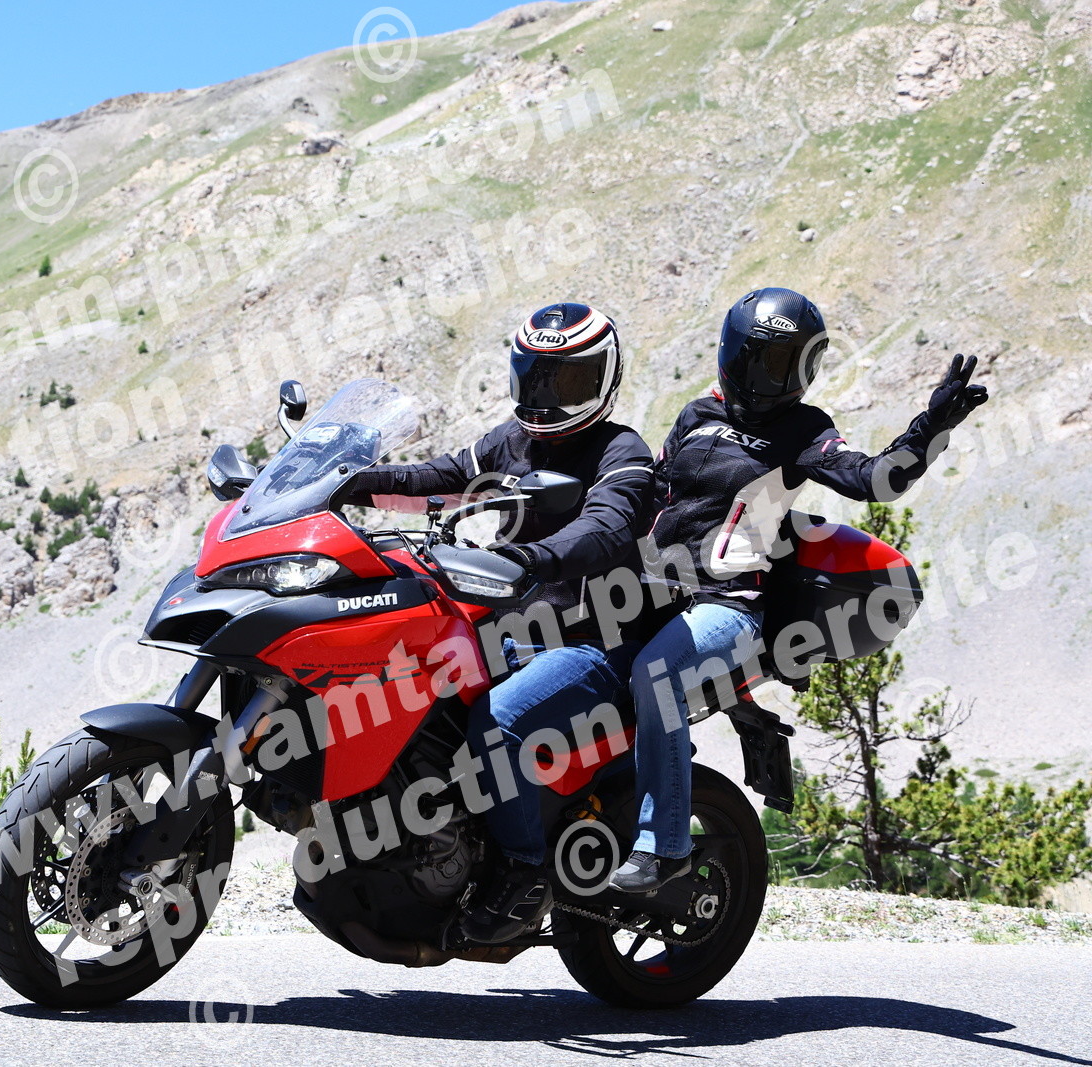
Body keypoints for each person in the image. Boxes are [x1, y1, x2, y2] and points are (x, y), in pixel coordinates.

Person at [610, 286, 989, 893]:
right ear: (735, 354)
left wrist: (930, 428)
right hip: (650, 591)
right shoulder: (696, 415)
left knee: (658, 677)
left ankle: (664, 847)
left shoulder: (804, 429)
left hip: (730, 605)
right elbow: (651, 495)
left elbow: (873, 480)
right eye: (767, 360)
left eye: (793, 363)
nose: (778, 377)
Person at [342, 302, 657, 943]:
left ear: (603, 377)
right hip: (516, 627)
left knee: (499, 720)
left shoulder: (621, 450)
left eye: (565, 379)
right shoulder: (512, 441)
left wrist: (529, 556)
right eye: (535, 376)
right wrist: (347, 482)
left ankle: (521, 870)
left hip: (597, 639)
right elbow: (442, 477)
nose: (546, 395)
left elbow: (607, 527)